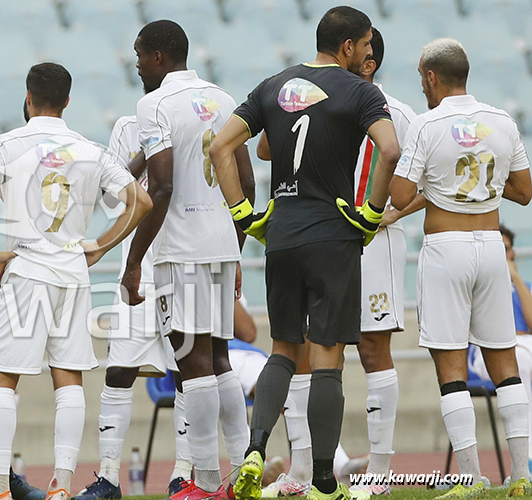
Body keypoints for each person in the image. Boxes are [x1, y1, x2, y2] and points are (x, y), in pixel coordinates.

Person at [208, 6, 401, 500]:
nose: (368, 56)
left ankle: (254, 450)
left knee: (282, 350)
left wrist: (244, 214)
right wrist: (371, 212)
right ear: (348, 47)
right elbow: (390, 149)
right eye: (365, 46)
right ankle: (321, 480)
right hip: (333, 236)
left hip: (282, 236)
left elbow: (220, 148)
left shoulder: (273, 85)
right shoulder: (361, 91)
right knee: (329, 358)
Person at [0, 61, 152, 500]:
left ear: (28, 99)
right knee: (68, 378)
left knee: (0, 379)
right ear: (67, 100)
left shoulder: (8, 143)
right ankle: (62, 486)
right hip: (72, 271)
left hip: (28, 268)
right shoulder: (89, 148)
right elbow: (141, 201)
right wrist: (102, 245)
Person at [253, 27, 418, 500]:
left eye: (365, 52)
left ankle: (380, 472)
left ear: (367, 64)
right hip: (328, 237)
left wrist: (389, 211)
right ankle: (303, 469)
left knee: (370, 349)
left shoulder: (399, 113)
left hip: (375, 239)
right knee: (307, 347)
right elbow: (267, 147)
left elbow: (421, 179)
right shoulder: (319, 96)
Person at [118, 20, 255, 500]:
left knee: (191, 362)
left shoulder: (153, 104)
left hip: (181, 250)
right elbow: (246, 180)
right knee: (219, 360)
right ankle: (241, 474)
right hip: (221, 243)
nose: (135, 64)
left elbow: (163, 185)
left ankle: (208, 483)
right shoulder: (221, 97)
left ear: (157, 56)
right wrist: (236, 246)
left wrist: (134, 261)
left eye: (139, 55)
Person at [391, 37, 532, 498]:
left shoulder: (428, 124)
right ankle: (520, 475)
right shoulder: (503, 120)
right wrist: (478, 192)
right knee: (504, 362)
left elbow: (398, 194)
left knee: (450, 363)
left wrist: (436, 187)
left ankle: (470, 479)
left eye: (422, 80)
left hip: (446, 248)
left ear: (432, 77)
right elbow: (524, 191)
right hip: (492, 246)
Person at [74, 114, 190, 500]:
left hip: (184, 264)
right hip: (137, 266)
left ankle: (184, 473)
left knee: (187, 372)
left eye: (143, 55)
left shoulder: (191, 116)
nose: (138, 64)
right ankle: (108, 476)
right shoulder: (128, 125)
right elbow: (110, 198)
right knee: (119, 370)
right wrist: (149, 148)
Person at [471, 226, 532, 474]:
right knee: (522, 358)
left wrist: (515, 278)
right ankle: (526, 459)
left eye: (504, 249)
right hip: (484, 355)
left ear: (512, 253)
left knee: (524, 355)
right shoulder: (477, 284)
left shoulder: (524, 286)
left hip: (524, 348)